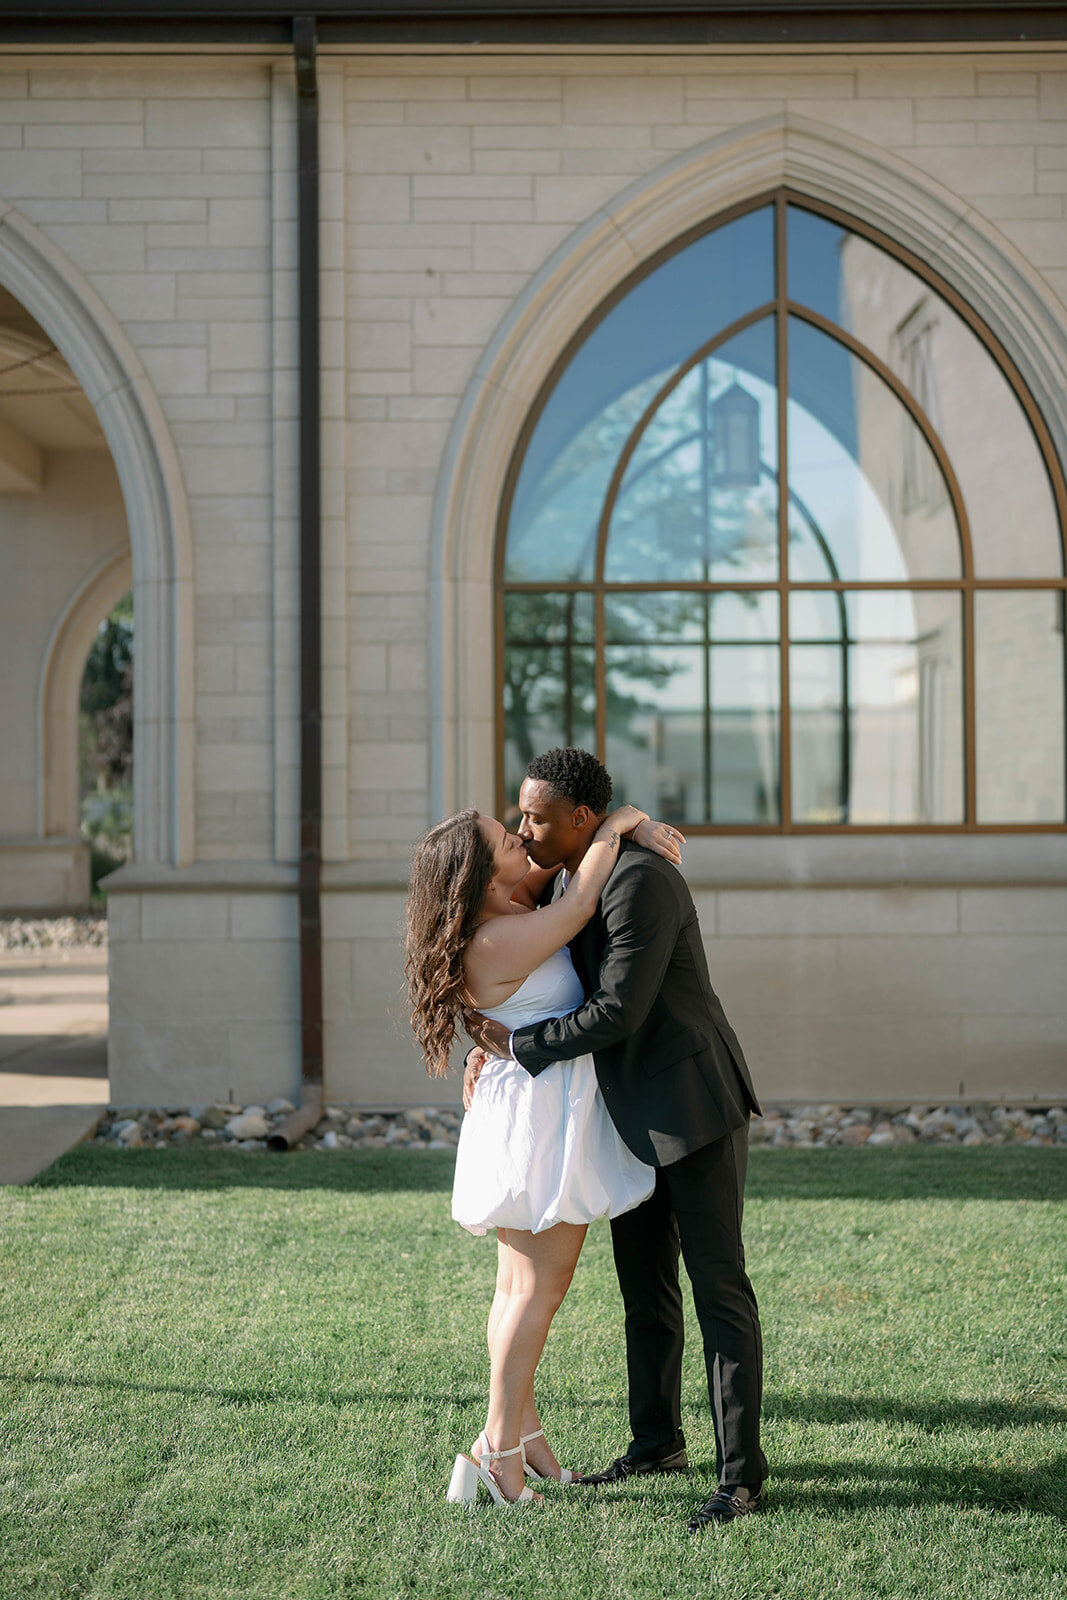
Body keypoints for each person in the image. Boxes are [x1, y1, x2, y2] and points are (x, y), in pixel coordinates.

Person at [463, 747, 767, 1531]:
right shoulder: (567, 875)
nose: (522, 827)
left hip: (690, 1105)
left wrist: (517, 1047)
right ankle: (657, 1442)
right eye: (520, 814)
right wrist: (487, 1041)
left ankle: (741, 1477)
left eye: (534, 815)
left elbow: (618, 1013)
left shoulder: (640, 881)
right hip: (626, 1114)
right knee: (645, 1289)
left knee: (716, 1288)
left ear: (581, 819)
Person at [404, 797, 682, 1507]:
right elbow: (583, 899)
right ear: (479, 872)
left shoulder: (499, 921)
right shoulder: (496, 938)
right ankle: (496, 1450)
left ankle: (524, 1441)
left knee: (515, 1292)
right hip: (538, 1120)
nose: (521, 836)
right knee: (535, 1291)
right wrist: (621, 822)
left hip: (528, 1108)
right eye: (505, 838)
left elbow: (559, 890)